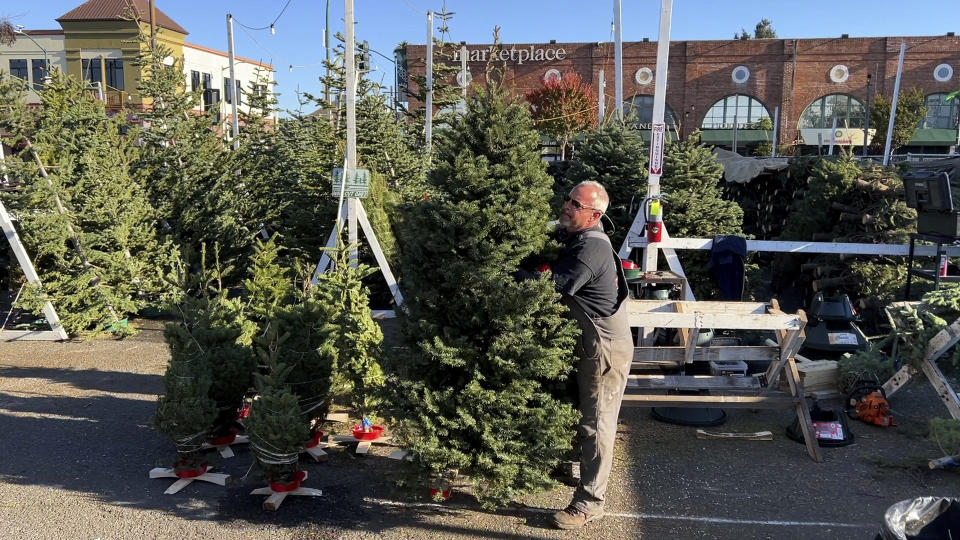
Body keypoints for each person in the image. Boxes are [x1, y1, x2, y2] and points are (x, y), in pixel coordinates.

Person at [545, 180, 634, 530]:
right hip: (584, 343)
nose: (567, 206)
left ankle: (589, 502)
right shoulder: (574, 238)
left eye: (576, 205)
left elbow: (556, 286)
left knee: (596, 423)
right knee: (574, 407)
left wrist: (508, 272)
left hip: (604, 349)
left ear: (595, 214)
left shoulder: (591, 249)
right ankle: (569, 466)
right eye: (568, 199)